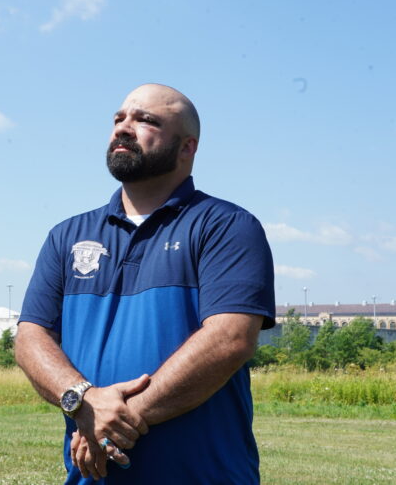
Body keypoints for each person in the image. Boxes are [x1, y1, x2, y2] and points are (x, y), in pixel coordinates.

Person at [15, 84, 276, 484]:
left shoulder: (227, 226)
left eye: (146, 120)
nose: (123, 127)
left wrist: (117, 420)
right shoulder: (67, 236)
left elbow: (230, 339)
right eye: (119, 118)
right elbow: (30, 338)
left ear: (187, 147)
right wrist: (83, 402)